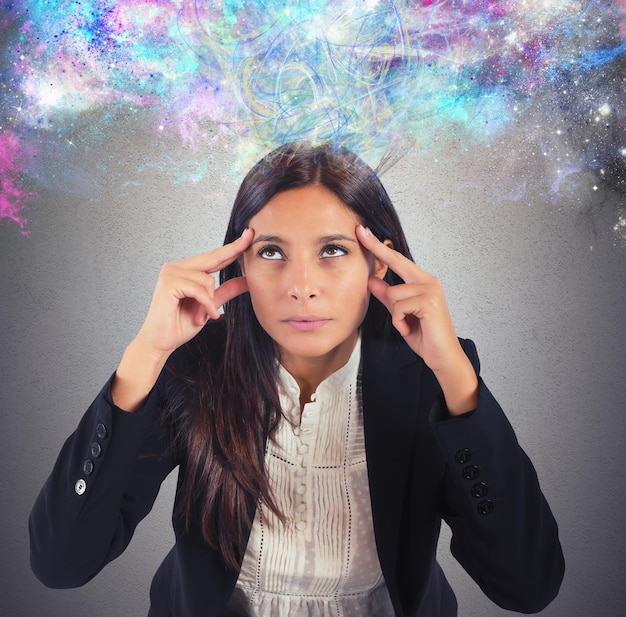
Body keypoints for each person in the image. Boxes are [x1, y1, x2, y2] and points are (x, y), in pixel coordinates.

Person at [29, 142, 564, 617]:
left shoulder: (432, 374)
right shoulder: (194, 366)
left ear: (378, 263)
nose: (301, 286)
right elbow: (61, 563)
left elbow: (527, 586)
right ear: (239, 264)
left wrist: (455, 377)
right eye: (271, 252)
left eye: (333, 250)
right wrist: (144, 355)